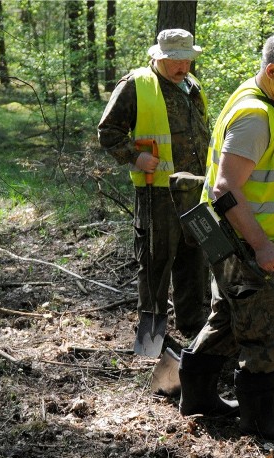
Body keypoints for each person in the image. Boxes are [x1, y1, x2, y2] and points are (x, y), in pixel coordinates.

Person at [177, 31, 274, 440]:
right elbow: (225, 188)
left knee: (227, 316)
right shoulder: (255, 115)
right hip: (242, 243)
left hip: (230, 238)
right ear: (271, 71)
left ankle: (199, 397)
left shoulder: (263, 100)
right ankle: (260, 419)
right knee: (268, 326)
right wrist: (260, 245)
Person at [98, 29, 210, 341]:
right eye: (175, 60)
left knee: (196, 263)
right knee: (154, 264)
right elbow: (108, 132)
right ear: (158, 57)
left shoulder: (193, 87)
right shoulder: (136, 84)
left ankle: (193, 331)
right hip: (157, 193)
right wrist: (134, 157)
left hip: (196, 192)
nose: (182, 66)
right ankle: (151, 340)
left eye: (187, 59)